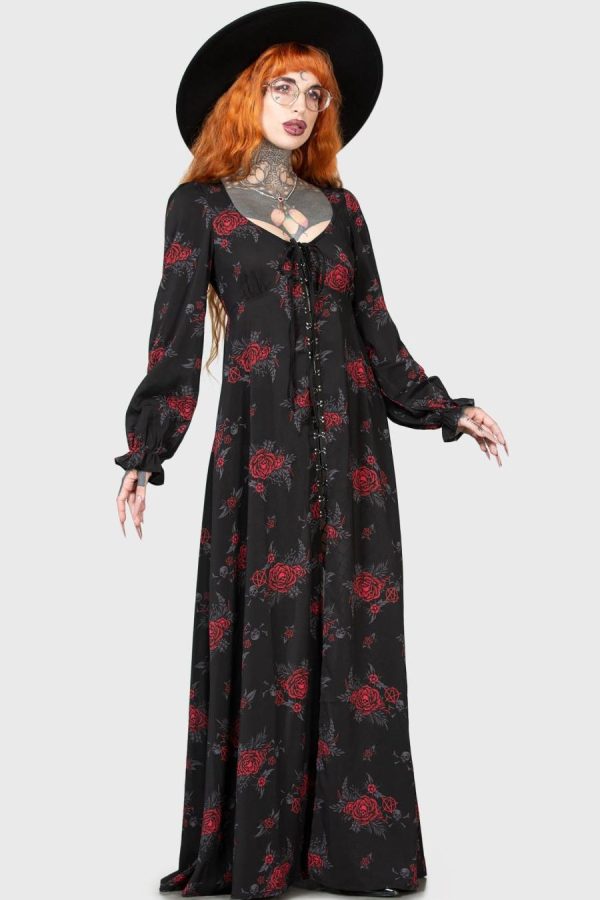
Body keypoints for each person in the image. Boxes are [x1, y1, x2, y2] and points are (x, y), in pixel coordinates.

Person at [114, 4, 508, 898]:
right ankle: (258, 848)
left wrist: (445, 408)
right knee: (268, 637)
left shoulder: (343, 210)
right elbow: (174, 341)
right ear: (246, 97)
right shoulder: (200, 207)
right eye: (283, 87)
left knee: (357, 639)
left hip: (356, 456)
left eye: (315, 93)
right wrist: (146, 449)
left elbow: (377, 330)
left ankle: (352, 849)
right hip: (262, 459)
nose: (300, 105)